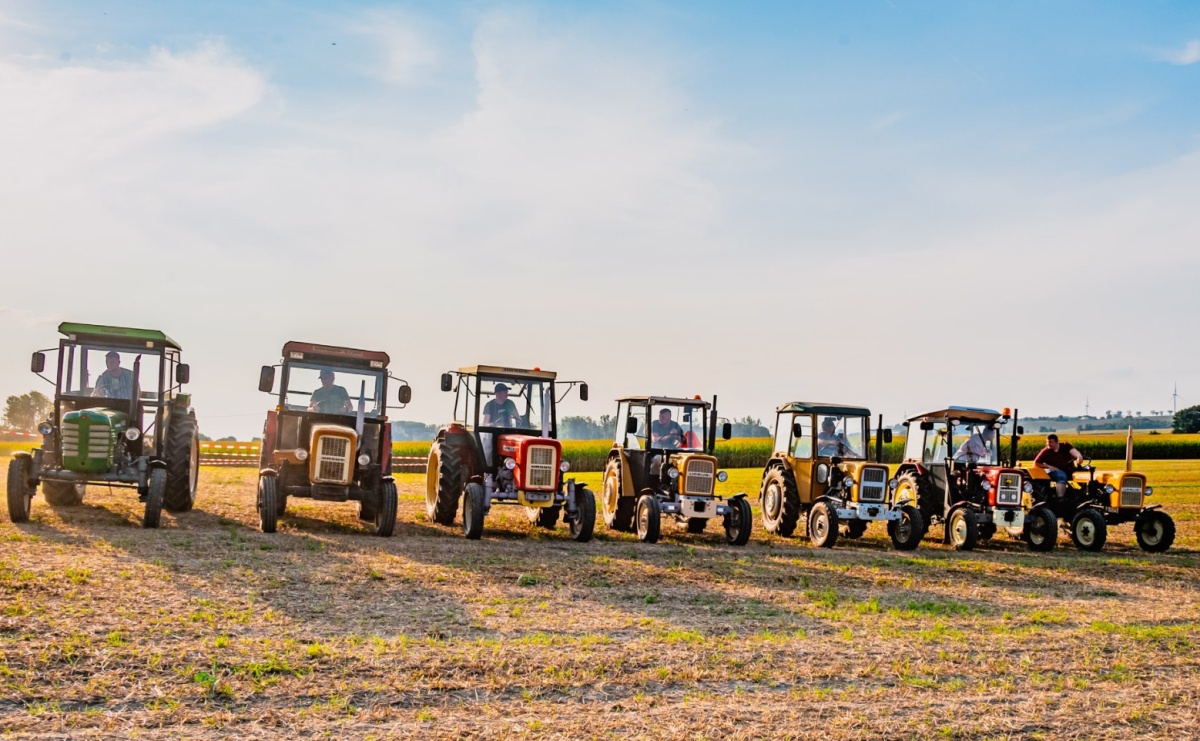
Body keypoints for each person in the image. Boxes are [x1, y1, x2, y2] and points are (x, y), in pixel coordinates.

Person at [1034, 433, 1085, 498]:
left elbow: (1075, 452)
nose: (1048, 444)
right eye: (1047, 442)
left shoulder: (1065, 445)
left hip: (1069, 468)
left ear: (1056, 442)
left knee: (1086, 473)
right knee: (1061, 476)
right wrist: (1049, 467)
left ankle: (1084, 494)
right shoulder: (1045, 451)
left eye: (1050, 442)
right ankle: (1060, 499)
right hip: (1055, 470)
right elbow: (1036, 463)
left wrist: (1079, 456)